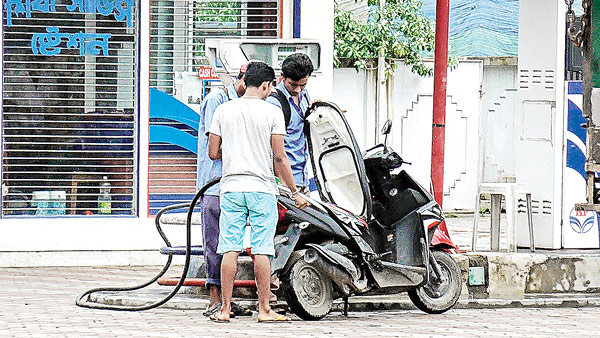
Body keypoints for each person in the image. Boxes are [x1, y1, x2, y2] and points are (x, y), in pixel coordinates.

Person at [207, 61, 308, 323]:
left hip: (230, 187)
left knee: (229, 247)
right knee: (262, 249)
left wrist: (234, 151)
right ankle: (264, 310)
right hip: (262, 188)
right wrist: (294, 190)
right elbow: (279, 158)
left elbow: (213, 152)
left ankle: (224, 310)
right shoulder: (271, 113)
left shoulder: (223, 110)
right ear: (266, 85)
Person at [196, 64, 247, 317]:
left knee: (230, 243)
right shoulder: (216, 100)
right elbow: (214, 145)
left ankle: (227, 298)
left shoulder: (245, 104)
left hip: (236, 183)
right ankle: (214, 298)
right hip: (215, 183)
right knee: (214, 242)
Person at [266, 53, 314, 194]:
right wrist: (287, 188)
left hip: (303, 178)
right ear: (282, 77)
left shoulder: (304, 96)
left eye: (303, 85)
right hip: (285, 183)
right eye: (293, 85)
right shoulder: (274, 102)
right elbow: (276, 153)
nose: (298, 89)